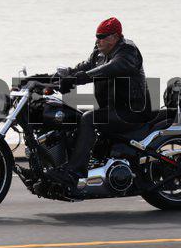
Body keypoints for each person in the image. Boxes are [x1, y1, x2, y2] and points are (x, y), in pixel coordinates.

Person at [47, 17, 152, 186]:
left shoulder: (128, 51)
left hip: (131, 112)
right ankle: (67, 163)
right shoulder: (99, 52)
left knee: (89, 118)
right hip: (111, 109)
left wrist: (79, 79)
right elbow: (84, 67)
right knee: (72, 115)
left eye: (102, 37)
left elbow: (110, 68)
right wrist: (54, 78)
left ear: (115, 37)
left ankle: (74, 172)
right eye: (97, 36)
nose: (98, 40)